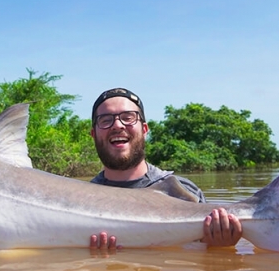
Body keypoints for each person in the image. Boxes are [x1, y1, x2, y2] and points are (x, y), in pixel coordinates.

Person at [88, 88, 243, 250]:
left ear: (145, 130)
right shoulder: (85, 197)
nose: (118, 125)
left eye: (128, 118)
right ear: (93, 134)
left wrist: (218, 247)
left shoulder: (184, 193)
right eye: (105, 120)